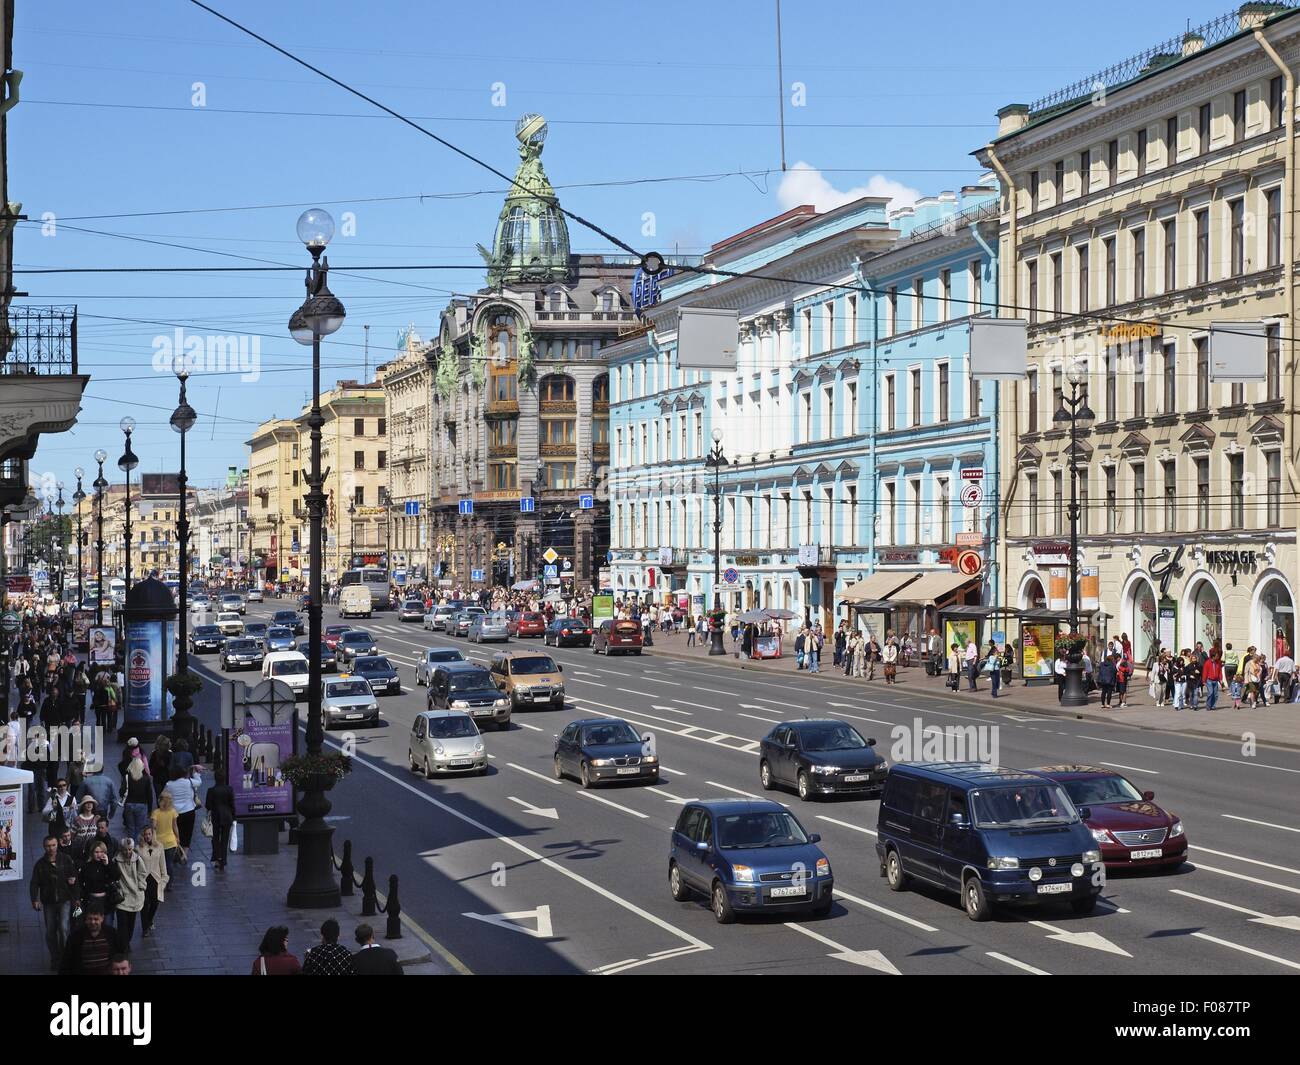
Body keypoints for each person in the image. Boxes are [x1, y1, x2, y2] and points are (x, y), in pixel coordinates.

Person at [30, 834, 79, 970]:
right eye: (48, 846)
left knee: (63, 929)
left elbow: (75, 878)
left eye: (53, 845)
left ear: (57, 845)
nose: (51, 848)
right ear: (44, 847)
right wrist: (35, 899)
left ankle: (64, 956)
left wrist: (76, 898)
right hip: (49, 901)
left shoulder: (66, 859)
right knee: (51, 931)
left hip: (65, 899)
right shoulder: (40, 864)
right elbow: (34, 883)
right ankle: (55, 957)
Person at [59, 903, 128, 975]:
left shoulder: (111, 934)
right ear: (85, 919)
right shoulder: (76, 936)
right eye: (90, 919)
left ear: (102, 918)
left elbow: (120, 956)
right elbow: (66, 961)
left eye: (96, 919)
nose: (92, 922)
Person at [114, 836, 146, 949]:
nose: (127, 852)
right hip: (122, 896)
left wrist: (141, 886)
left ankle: (126, 942)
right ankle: (123, 945)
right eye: (125, 849)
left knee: (131, 923)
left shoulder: (137, 860)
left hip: (134, 895)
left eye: (130, 849)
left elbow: (142, 873)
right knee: (122, 923)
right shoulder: (116, 860)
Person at [79, 840, 122, 923]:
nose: (99, 854)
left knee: (108, 924)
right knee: (92, 924)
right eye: (96, 852)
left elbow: (117, 876)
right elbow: (80, 882)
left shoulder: (109, 864)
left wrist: (108, 864)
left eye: (101, 852)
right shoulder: (86, 866)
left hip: (106, 901)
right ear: (92, 853)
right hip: (91, 900)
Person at [137, 825, 168, 938]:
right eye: (145, 834)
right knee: (144, 904)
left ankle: (149, 920)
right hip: (144, 878)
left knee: (155, 902)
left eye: (149, 834)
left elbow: (162, 864)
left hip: (155, 878)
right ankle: (145, 928)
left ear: (152, 834)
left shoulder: (159, 846)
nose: (147, 836)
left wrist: (164, 879)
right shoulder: (138, 848)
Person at [163, 763, 202, 853]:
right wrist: (196, 773)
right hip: (189, 811)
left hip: (175, 813)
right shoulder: (189, 782)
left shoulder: (169, 785)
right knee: (187, 834)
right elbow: (199, 782)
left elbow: (163, 796)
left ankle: (176, 850)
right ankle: (184, 854)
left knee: (176, 833)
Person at [206, 769, 236, 870]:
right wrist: (234, 816)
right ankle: (223, 859)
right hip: (227, 816)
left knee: (215, 838)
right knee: (225, 838)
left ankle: (217, 857)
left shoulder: (211, 790)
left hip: (216, 816)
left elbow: (208, 805)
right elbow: (232, 804)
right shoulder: (229, 789)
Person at [150, 790, 182, 875]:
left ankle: (161, 881)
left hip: (158, 842)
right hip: (171, 841)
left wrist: (152, 838)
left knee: (159, 864)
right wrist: (177, 838)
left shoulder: (156, 813)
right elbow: (175, 826)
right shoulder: (173, 812)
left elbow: (154, 827)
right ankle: (169, 883)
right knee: (169, 864)